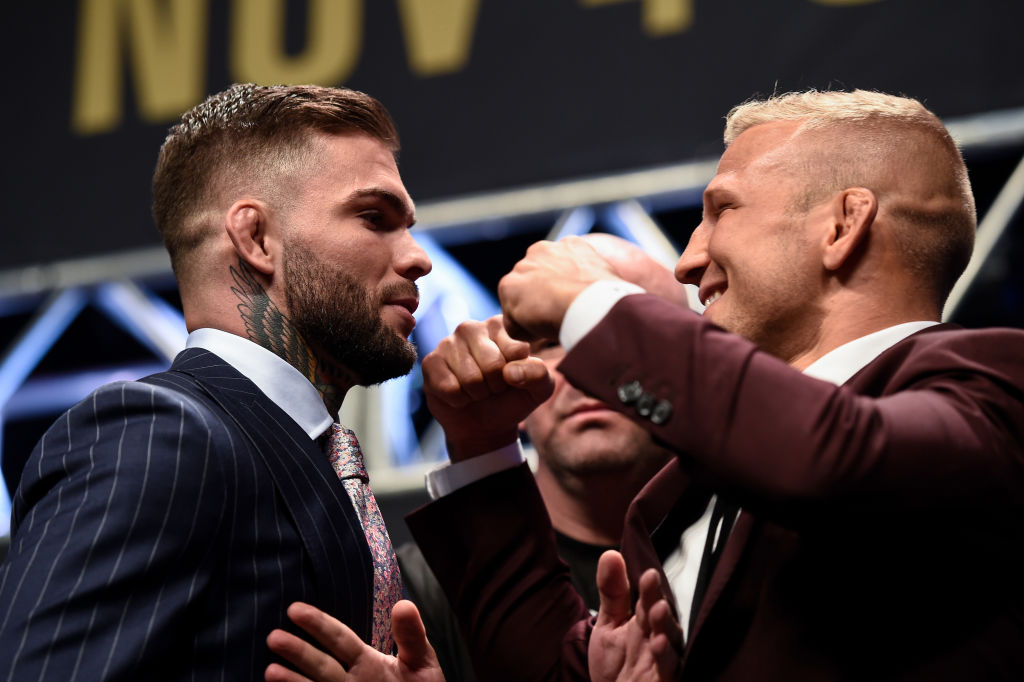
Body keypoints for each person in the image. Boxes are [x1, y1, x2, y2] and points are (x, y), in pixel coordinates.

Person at [404, 89, 1024, 680]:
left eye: (721, 211)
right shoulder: (681, 493)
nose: (688, 259)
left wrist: (593, 305)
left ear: (843, 225)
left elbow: (836, 457)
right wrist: (482, 447)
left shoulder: (998, 383)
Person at [0, 83, 432, 680]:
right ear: (256, 239)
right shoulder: (156, 436)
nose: (418, 257)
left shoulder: (313, 458)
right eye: (373, 218)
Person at [398, 235, 687, 681]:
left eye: (616, 333)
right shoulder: (427, 585)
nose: (582, 371)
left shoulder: (751, 541)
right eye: (552, 342)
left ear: (692, 366)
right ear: (500, 368)